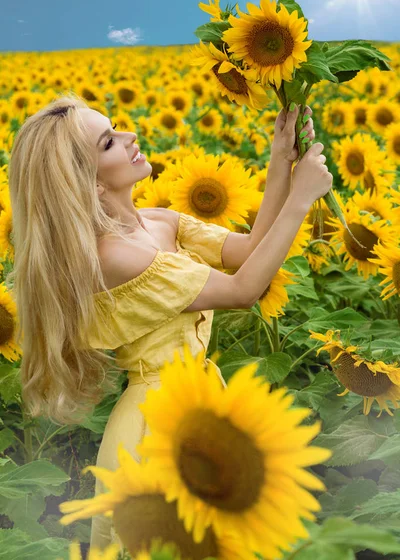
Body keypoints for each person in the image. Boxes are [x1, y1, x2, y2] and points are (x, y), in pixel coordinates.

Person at [6, 92, 331, 551]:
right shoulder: (115, 256)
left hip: (198, 397)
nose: (129, 135)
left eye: (116, 126)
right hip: (156, 422)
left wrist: (282, 161)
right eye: (108, 143)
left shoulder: (155, 222)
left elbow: (248, 249)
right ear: (91, 183)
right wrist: (299, 201)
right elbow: (243, 291)